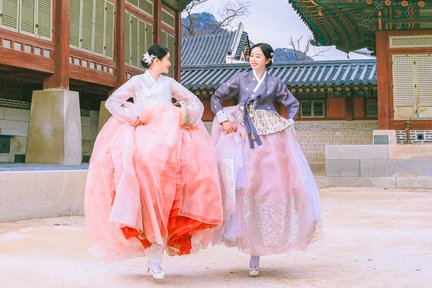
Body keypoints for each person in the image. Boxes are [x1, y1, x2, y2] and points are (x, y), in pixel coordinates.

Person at [85, 44, 223, 279]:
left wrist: (185, 116)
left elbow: (195, 103)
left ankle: (156, 256)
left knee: (169, 194)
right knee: (144, 189)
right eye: (167, 59)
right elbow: (112, 103)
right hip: (142, 138)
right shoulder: (137, 82)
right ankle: (153, 253)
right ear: (156, 60)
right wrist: (133, 118)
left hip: (170, 142)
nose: (169, 63)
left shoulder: (169, 85)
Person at [210, 43, 323, 277]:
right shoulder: (240, 79)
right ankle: (247, 242)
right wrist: (223, 120)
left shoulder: (275, 83)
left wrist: (285, 124)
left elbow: (293, 104)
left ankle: (258, 251)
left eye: (258, 56)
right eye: (251, 56)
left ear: (268, 60)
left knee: (269, 187)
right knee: (245, 188)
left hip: (269, 136)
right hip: (243, 135)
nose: (253, 59)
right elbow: (217, 97)